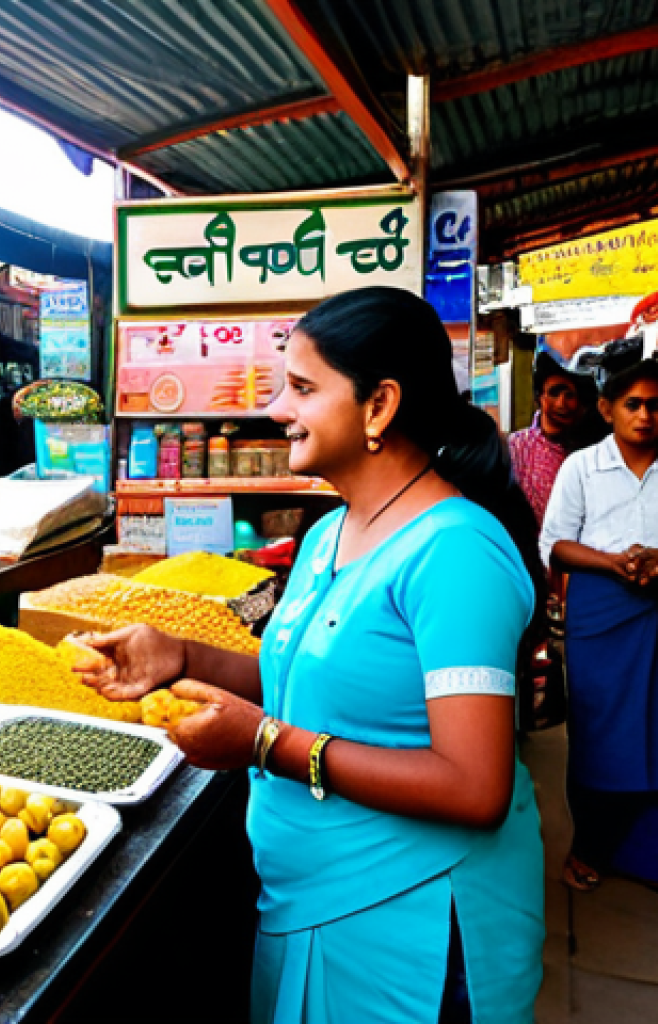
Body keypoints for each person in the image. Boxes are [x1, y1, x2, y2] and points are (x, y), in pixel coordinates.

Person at [80, 287, 544, 1023]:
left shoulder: (456, 552)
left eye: (301, 388)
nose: (277, 410)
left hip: (413, 921)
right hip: (306, 896)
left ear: (379, 406)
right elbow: (300, 683)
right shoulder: (330, 533)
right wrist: (179, 657)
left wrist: (265, 744)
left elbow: (475, 787)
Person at [540, 359, 658, 891]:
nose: (645, 415)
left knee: (653, 726)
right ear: (608, 410)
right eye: (634, 404)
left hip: (655, 605)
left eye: (655, 405)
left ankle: (645, 852)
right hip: (600, 609)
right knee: (600, 726)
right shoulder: (582, 467)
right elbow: (556, 544)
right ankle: (591, 844)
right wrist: (613, 562)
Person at [508, 351, 596, 531]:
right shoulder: (517, 446)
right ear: (539, 397)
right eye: (554, 393)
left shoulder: (591, 449)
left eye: (569, 395)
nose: (561, 403)